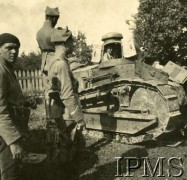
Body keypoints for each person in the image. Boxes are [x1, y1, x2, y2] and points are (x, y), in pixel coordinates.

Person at [0, 33, 30, 180]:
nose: (14, 51)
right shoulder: (0, 70)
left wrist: (24, 102)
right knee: (10, 173)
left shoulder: (7, 67)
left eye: (16, 48)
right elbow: (0, 111)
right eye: (9, 48)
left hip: (10, 126)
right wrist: (13, 141)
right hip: (5, 133)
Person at [36, 6, 60, 75]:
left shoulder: (39, 32)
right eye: (57, 19)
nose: (56, 22)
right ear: (54, 18)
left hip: (44, 65)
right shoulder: (56, 32)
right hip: (55, 65)